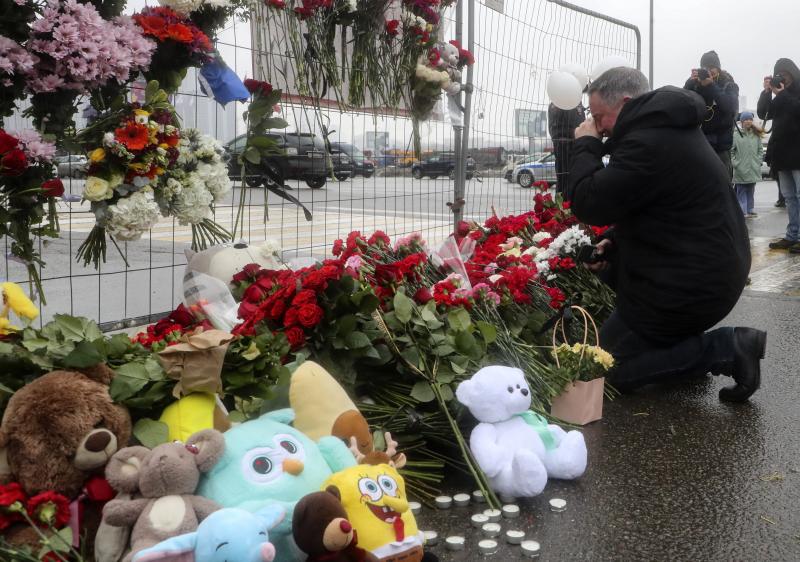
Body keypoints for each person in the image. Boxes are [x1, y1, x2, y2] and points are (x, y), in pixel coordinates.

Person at [564, 67, 765, 402]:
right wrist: (613, 242)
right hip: (703, 271)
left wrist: (585, 145)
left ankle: (727, 348)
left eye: (600, 117)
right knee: (611, 352)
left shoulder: (648, 142)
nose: (598, 127)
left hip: (689, 285)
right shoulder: (665, 130)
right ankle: (682, 351)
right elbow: (659, 207)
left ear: (626, 103)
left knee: (604, 372)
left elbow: (589, 202)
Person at [758, 59, 800, 252]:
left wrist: (782, 94)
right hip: (783, 154)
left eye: (786, 74)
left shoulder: (793, 94)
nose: (783, 77)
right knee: (790, 197)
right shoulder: (780, 96)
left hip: (797, 154)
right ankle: (792, 235)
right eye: (779, 74)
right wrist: (767, 92)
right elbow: (763, 113)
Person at [683, 50, 739, 179]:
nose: (709, 71)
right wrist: (690, 83)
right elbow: (683, 103)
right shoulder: (696, 84)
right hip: (700, 144)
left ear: (718, 69)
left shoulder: (729, 84)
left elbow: (730, 107)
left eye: (711, 67)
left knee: (722, 185)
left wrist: (711, 85)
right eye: (705, 68)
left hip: (721, 147)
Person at [548, 101, 586, 193]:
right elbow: (555, 129)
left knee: (574, 179)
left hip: (577, 144)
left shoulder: (577, 102)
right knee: (564, 179)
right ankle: (563, 203)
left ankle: (565, 202)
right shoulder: (559, 101)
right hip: (565, 145)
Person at [731, 111, 764, 217]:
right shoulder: (736, 135)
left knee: (751, 189)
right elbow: (731, 151)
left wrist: (758, 161)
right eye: (746, 120)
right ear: (741, 122)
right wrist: (736, 163)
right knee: (741, 190)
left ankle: (750, 209)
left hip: (753, 168)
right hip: (741, 168)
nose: (748, 121)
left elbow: (760, 150)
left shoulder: (756, 135)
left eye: (750, 119)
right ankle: (742, 211)